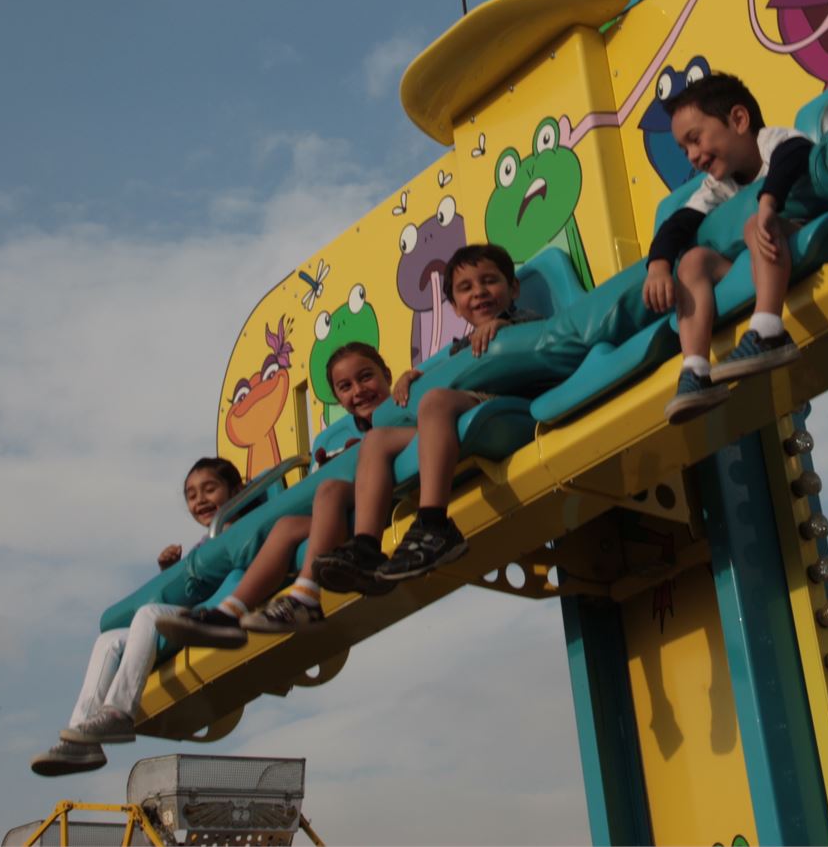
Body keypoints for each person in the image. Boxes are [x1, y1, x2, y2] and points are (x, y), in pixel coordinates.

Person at [313, 243, 538, 588]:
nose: (478, 293)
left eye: (489, 281)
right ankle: (365, 547)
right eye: (465, 288)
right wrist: (409, 379)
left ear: (513, 288)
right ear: (455, 307)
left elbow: (541, 348)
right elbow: (440, 373)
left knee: (434, 402)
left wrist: (502, 328)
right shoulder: (458, 349)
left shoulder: (524, 321)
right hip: (463, 412)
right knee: (377, 439)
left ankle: (434, 524)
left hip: (506, 408)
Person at [148, 342, 389, 651]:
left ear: (387, 374)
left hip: (380, 506)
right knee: (287, 526)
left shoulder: (405, 402)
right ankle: (229, 613)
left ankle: (304, 596)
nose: (358, 390)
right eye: (345, 386)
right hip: (345, 514)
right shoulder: (337, 437)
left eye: (366, 377)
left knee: (329, 489)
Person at [29, 457, 242, 774]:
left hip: (218, 612)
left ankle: (118, 711)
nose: (200, 501)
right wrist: (172, 572)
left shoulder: (241, 525)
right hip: (194, 610)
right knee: (109, 640)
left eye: (209, 489)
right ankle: (82, 738)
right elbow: (196, 586)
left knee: (149, 614)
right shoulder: (205, 542)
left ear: (236, 490)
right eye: (192, 495)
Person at [643, 70, 806, 424]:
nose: (692, 155)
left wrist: (767, 203)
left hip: (794, 231)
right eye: (684, 149)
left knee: (753, 222)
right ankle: (696, 370)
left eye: (695, 139)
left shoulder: (771, 142)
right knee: (693, 261)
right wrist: (658, 265)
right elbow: (679, 223)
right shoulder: (717, 186)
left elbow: (796, 152)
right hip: (758, 254)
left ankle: (768, 331)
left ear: (738, 119)